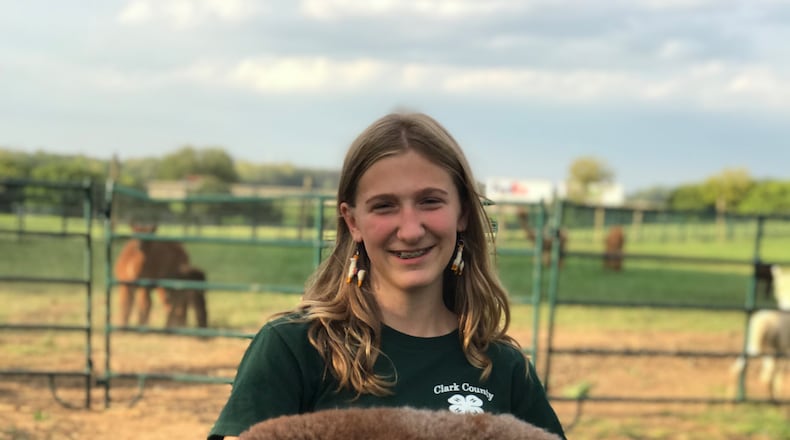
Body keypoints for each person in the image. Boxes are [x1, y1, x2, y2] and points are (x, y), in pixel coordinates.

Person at [207, 112, 566, 439]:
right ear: (353, 221)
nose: (410, 231)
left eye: (430, 201)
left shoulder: (503, 368)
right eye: (384, 206)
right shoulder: (295, 349)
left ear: (463, 213)